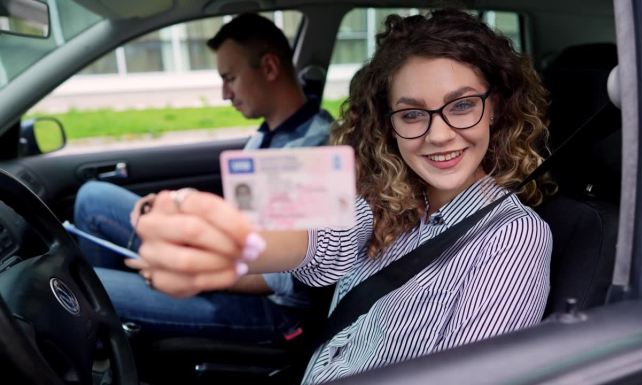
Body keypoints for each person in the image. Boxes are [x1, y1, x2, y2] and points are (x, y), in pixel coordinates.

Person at [129, 8, 554, 384]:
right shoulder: (387, 198)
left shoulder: (513, 237)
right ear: (388, 124)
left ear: (495, 106)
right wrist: (239, 243)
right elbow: (324, 236)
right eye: (411, 114)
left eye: (461, 106)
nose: (438, 134)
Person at [73, 13, 332, 341]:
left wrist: (196, 271)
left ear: (268, 68)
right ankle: (115, 336)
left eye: (230, 78)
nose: (225, 94)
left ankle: (107, 344)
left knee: (86, 288)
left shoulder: (313, 152)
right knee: (92, 198)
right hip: (232, 257)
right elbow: (243, 222)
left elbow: (291, 276)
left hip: (274, 309)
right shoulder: (270, 135)